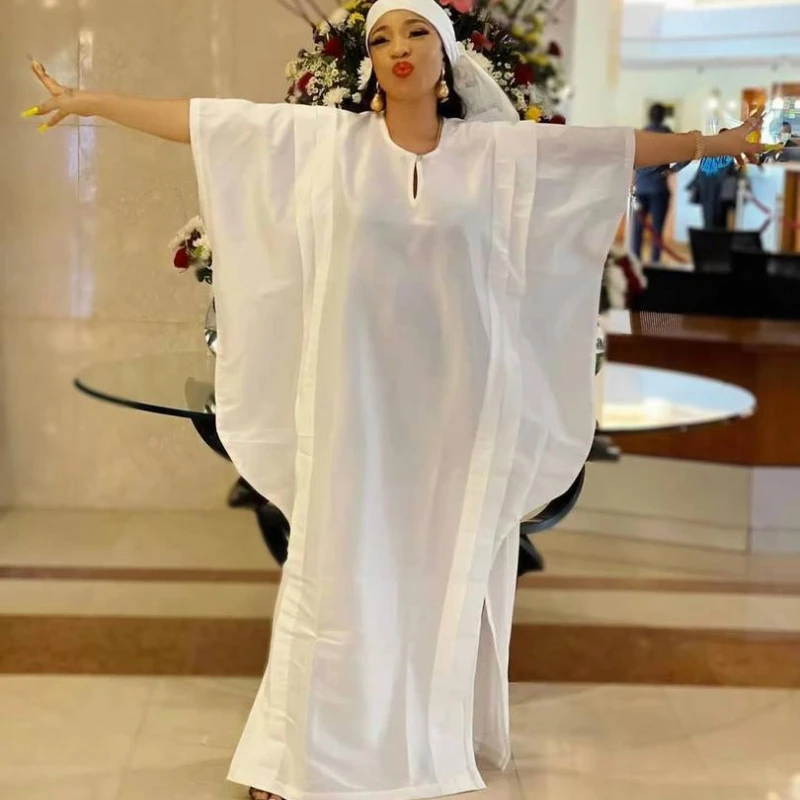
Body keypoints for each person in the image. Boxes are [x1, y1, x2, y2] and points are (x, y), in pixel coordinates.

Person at [21, 1, 763, 798]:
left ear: (447, 57)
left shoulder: (496, 154)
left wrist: (719, 144)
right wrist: (95, 102)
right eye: (381, 38)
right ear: (367, 61)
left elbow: (612, 150)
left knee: (432, 575)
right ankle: (292, 759)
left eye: (415, 34)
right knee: (331, 575)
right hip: (351, 408)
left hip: (453, 417)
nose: (398, 49)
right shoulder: (327, 144)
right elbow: (208, 123)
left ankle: (422, 748)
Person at [632, 102, 687, 263]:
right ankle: (655, 262)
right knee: (657, 230)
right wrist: (673, 170)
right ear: (663, 117)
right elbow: (687, 154)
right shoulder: (667, 134)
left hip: (641, 188)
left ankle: (635, 260)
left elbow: (630, 159)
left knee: (637, 229)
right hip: (659, 188)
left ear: (649, 115)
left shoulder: (640, 135)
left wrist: (636, 174)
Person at [687, 130, 741, 229]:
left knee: (708, 218)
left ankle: (708, 237)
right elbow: (731, 172)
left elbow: (701, 172)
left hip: (706, 190)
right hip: (720, 192)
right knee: (720, 221)